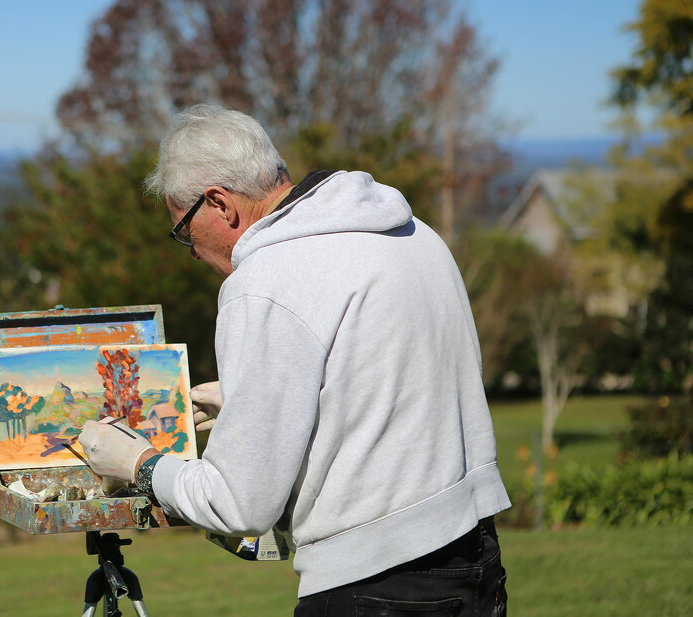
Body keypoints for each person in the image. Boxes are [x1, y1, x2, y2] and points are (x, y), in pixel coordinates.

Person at [79, 103, 511, 615]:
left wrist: (140, 465)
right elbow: (391, 389)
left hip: (376, 583)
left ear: (219, 203)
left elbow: (239, 505)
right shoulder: (413, 234)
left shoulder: (264, 283)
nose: (190, 251)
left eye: (183, 230)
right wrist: (250, 406)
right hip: (475, 555)